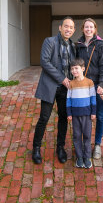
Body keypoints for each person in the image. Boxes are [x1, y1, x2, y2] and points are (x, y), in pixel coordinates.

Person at [32, 17, 76, 165]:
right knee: (44, 117)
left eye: (71, 27)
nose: (68, 29)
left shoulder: (73, 46)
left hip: (66, 89)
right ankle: (36, 148)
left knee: (63, 118)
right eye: (66, 26)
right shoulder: (49, 42)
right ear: (60, 27)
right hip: (50, 85)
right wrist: (62, 78)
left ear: (73, 30)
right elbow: (44, 62)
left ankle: (60, 148)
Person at [75, 18, 103, 160]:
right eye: (86, 27)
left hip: (98, 85)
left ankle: (97, 145)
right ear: (83, 29)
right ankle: (85, 144)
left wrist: (102, 83)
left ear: (95, 29)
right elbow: (75, 65)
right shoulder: (78, 45)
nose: (89, 29)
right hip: (83, 85)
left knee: (100, 115)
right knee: (84, 115)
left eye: (91, 27)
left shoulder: (101, 45)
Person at [66, 58, 96, 168]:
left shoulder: (89, 82)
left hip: (87, 114)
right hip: (75, 115)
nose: (74, 71)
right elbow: (68, 99)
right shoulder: (71, 84)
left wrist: (93, 112)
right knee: (77, 135)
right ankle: (79, 156)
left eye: (76, 68)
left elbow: (93, 98)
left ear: (83, 69)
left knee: (87, 135)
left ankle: (87, 156)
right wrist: (69, 113)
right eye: (72, 69)